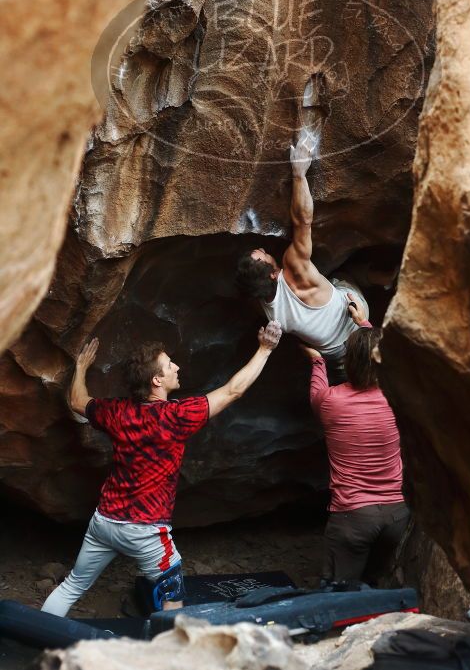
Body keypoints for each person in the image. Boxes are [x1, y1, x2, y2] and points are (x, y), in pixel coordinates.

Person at [41, 320, 282, 617]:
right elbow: (233, 391)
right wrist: (265, 349)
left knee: (73, 585)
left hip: (104, 523)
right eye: (169, 365)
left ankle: (33, 643)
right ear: (157, 380)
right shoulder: (176, 418)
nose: (177, 367)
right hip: (146, 531)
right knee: (172, 595)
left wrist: (80, 367)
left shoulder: (117, 412)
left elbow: (77, 401)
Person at [236, 134, 395, 369]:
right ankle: (383, 278)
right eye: (261, 255)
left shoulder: (268, 313)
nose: (262, 249)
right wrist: (299, 172)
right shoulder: (294, 267)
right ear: (271, 273)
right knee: (344, 273)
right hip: (356, 318)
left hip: (335, 354)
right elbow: (303, 221)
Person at [301, 297, 409, 586]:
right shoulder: (396, 396)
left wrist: (317, 359)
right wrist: (364, 323)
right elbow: (387, 363)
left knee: (340, 591)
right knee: (377, 582)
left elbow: (317, 389)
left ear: (347, 360)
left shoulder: (331, 401)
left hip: (353, 516)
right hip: (397, 514)